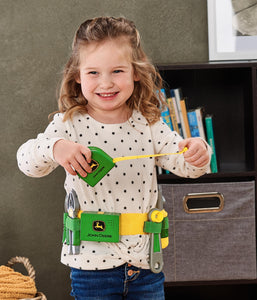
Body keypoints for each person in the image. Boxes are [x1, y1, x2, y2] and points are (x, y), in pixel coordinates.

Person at [17, 16, 211, 300]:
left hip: (146, 266)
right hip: (91, 268)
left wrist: (198, 152)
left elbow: (186, 166)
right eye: (93, 72)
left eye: (117, 70)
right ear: (77, 76)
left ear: (135, 72)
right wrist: (56, 147)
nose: (105, 83)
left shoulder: (149, 123)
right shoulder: (69, 124)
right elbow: (26, 161)